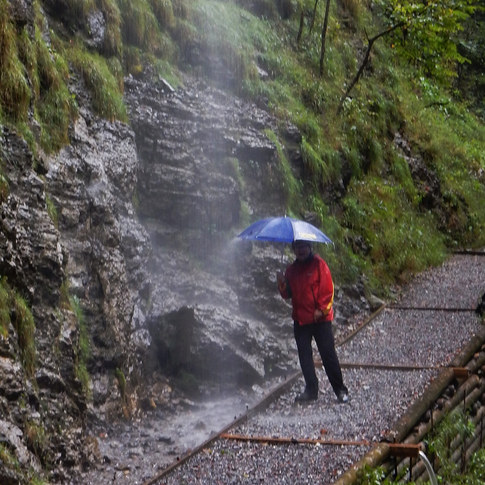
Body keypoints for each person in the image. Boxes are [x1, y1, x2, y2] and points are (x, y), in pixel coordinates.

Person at [277, 240, 349, 404]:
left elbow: (328, 289)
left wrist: (322, 310)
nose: (301, 250)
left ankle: (340, 390)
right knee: (304, 356)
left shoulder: (319, 265)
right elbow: (287, 294)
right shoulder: (291, 270)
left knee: (328, 355)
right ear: (293, 249)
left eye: (303, 247)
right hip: (301, 320)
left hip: (320, 320)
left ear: (309, 247)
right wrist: (281, 282)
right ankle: (311, 390)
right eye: (297, 247)